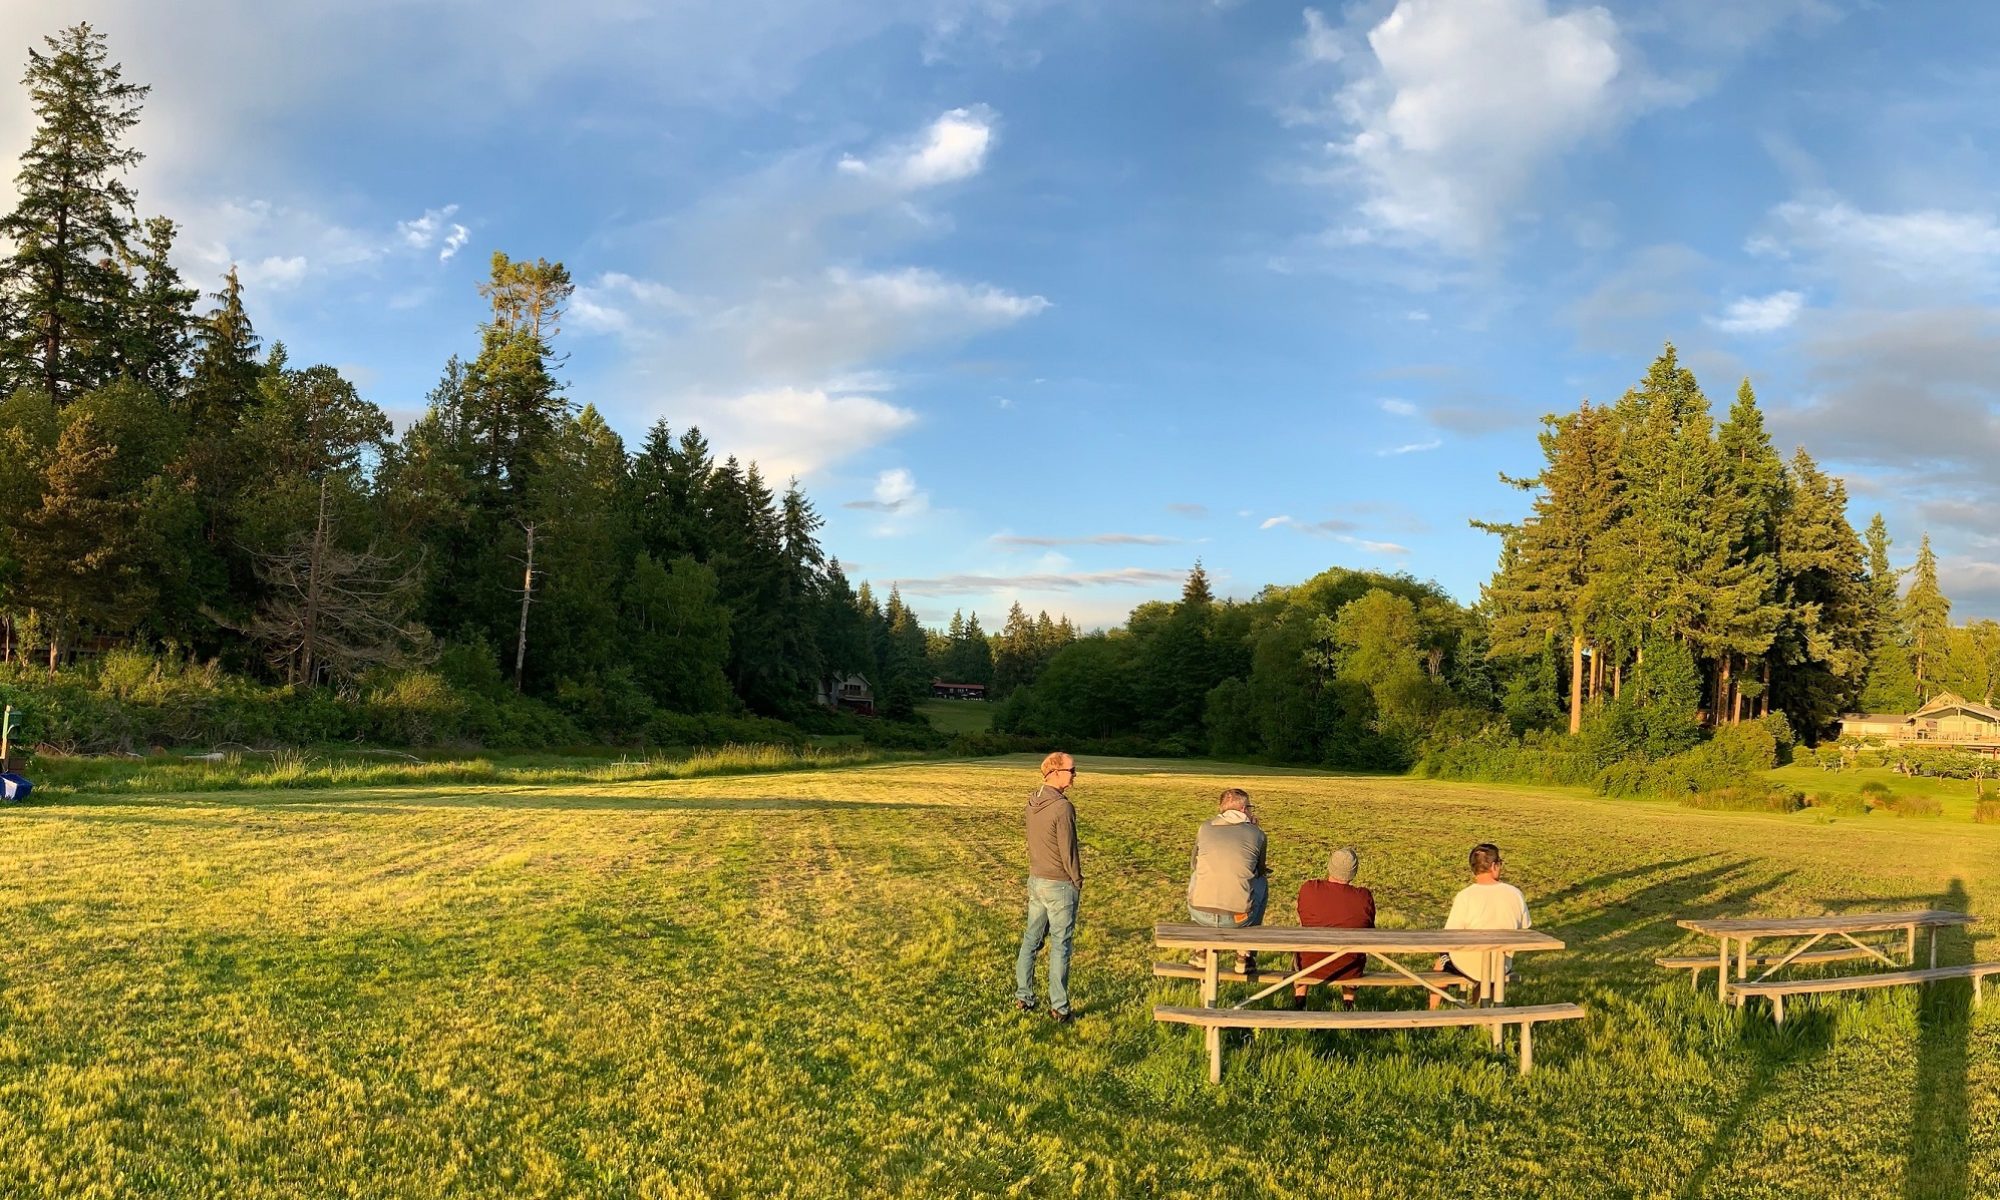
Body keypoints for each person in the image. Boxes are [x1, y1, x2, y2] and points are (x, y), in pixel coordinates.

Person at [1015, 750, 1083, 1022]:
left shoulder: (1033, 801)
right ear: (1054, 773)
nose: (1075, 775)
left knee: (1031, 939)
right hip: (1060, 885)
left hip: (1036, 881)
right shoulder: (1063, 807)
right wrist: (1077, 881)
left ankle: (1024, 997)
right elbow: (1069, 851)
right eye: (1071, 770)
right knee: (1060, 946)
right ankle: (1060, 1008)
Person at [1430, 841, 1532, 1009]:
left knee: (1440, 962)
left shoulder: (1465, 896)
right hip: (1501, 965)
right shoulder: (1515, 894)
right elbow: (1525, 928)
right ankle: (1478, 1009)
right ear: (1494, 866)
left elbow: (1450, 935)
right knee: (1488, 973)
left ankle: (1433, 1012)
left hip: (1467, 964)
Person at [1185, 787, 1268, 973]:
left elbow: (1194, 864)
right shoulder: (1257, 834)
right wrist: (1255, 829)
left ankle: (1201, 951)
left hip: (1200, 913)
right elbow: (1260, 870)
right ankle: (1244, 954)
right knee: (1261, 883)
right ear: (1243, 809)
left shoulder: (1205, 828)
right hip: (1239, 918)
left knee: (1199, 873)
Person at [1293, 845, 1375, 1009]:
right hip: (1349, 968)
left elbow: (1302, 919)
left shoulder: (1309, 889)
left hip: (1309, 966)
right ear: (1353, 872)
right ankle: (1348, 1004)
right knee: (1353, 948)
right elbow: (1369, 928)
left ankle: (1300, 1001)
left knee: (1301, 949)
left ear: (1330, 866)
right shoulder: (1363, 897)